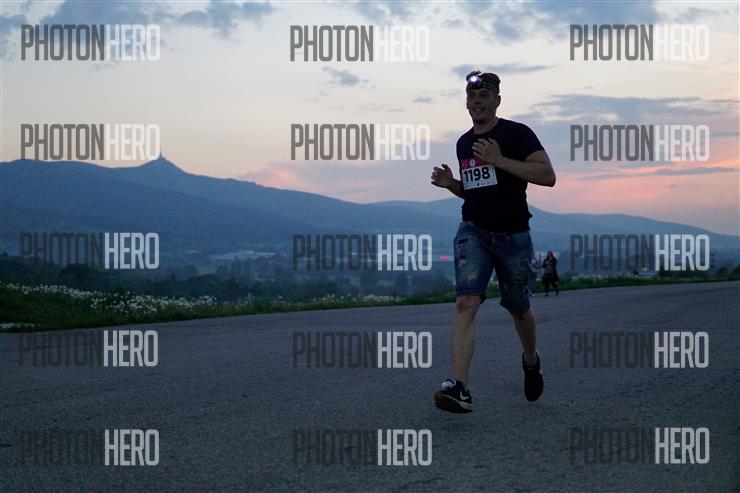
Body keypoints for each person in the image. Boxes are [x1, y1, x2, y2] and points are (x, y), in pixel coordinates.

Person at [430, 70, 556, 413]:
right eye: (471, 97)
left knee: (518, 307)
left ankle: (530, 359)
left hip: (513, 236)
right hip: (474, 231)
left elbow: (548, 176)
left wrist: (500, 160)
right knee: (465, 301)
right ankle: (459, 388)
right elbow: (475, 191)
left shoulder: (517, 134)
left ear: (497, 100)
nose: (477, 102)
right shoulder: (463, 143)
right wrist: (451, 184)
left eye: (484, 96)